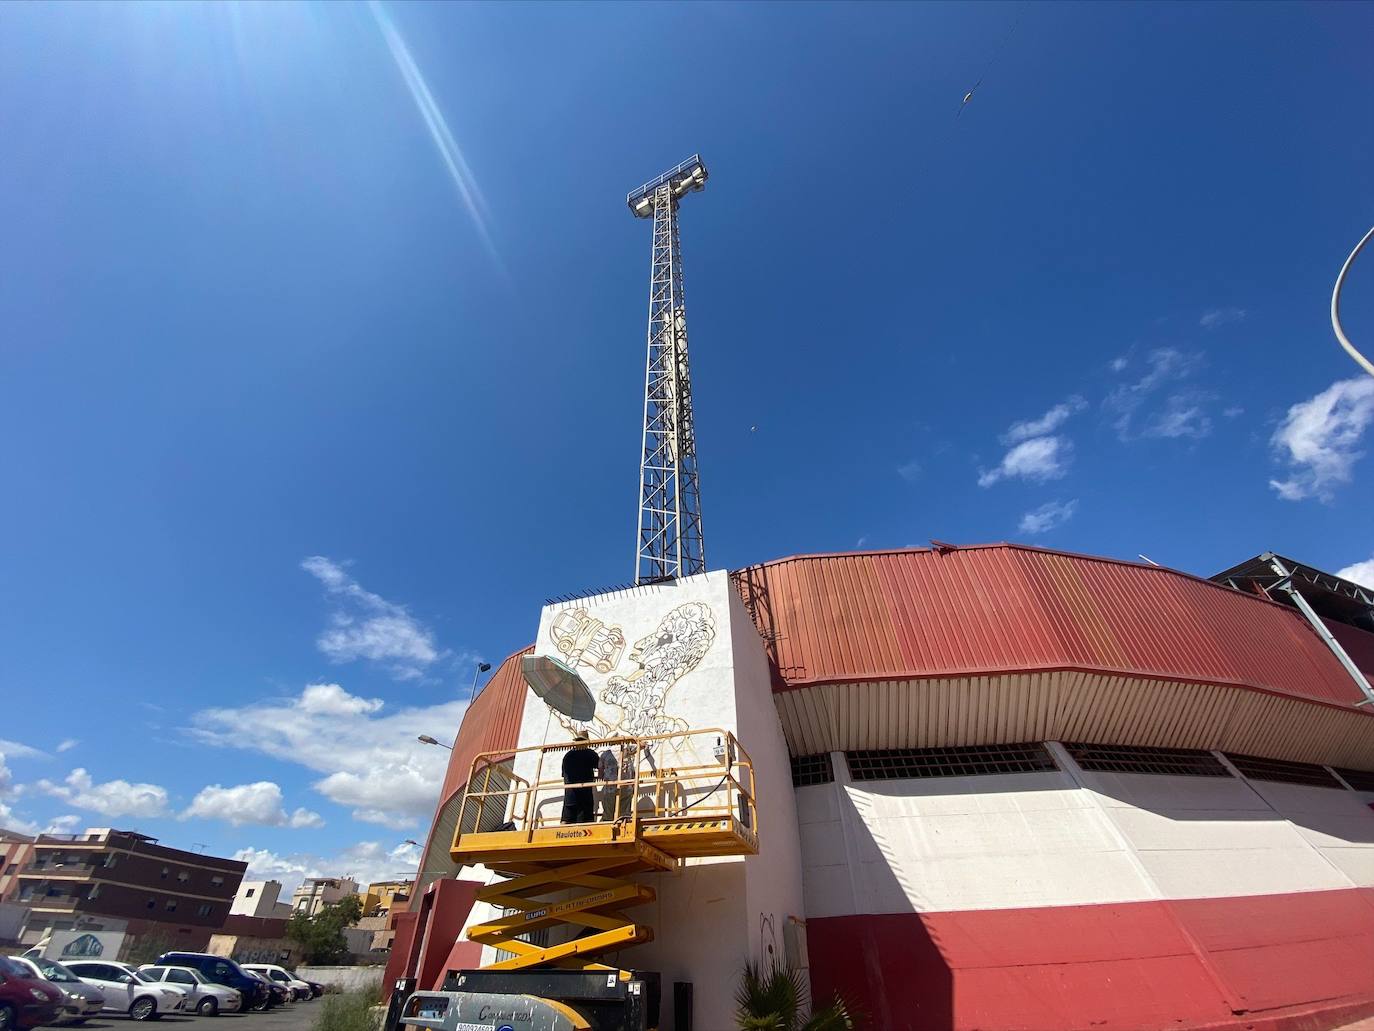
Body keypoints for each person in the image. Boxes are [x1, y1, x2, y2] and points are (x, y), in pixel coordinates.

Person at [560, 730, 599, 824]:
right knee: (583, 825)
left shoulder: (567, 756)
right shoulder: (589, 754)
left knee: (566, 822)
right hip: (584, 797)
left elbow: (563, 775)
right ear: (586, 742)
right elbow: (601, 765)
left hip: (570, 795)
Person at [598, 741, 636, 822]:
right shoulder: (627, 750)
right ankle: (624, 825)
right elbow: (641, 745)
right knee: (624, 813)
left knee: (609, 813)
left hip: (610, 788)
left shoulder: (605, 754)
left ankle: (608, 826)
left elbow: (600, 773)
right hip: (626, 786)